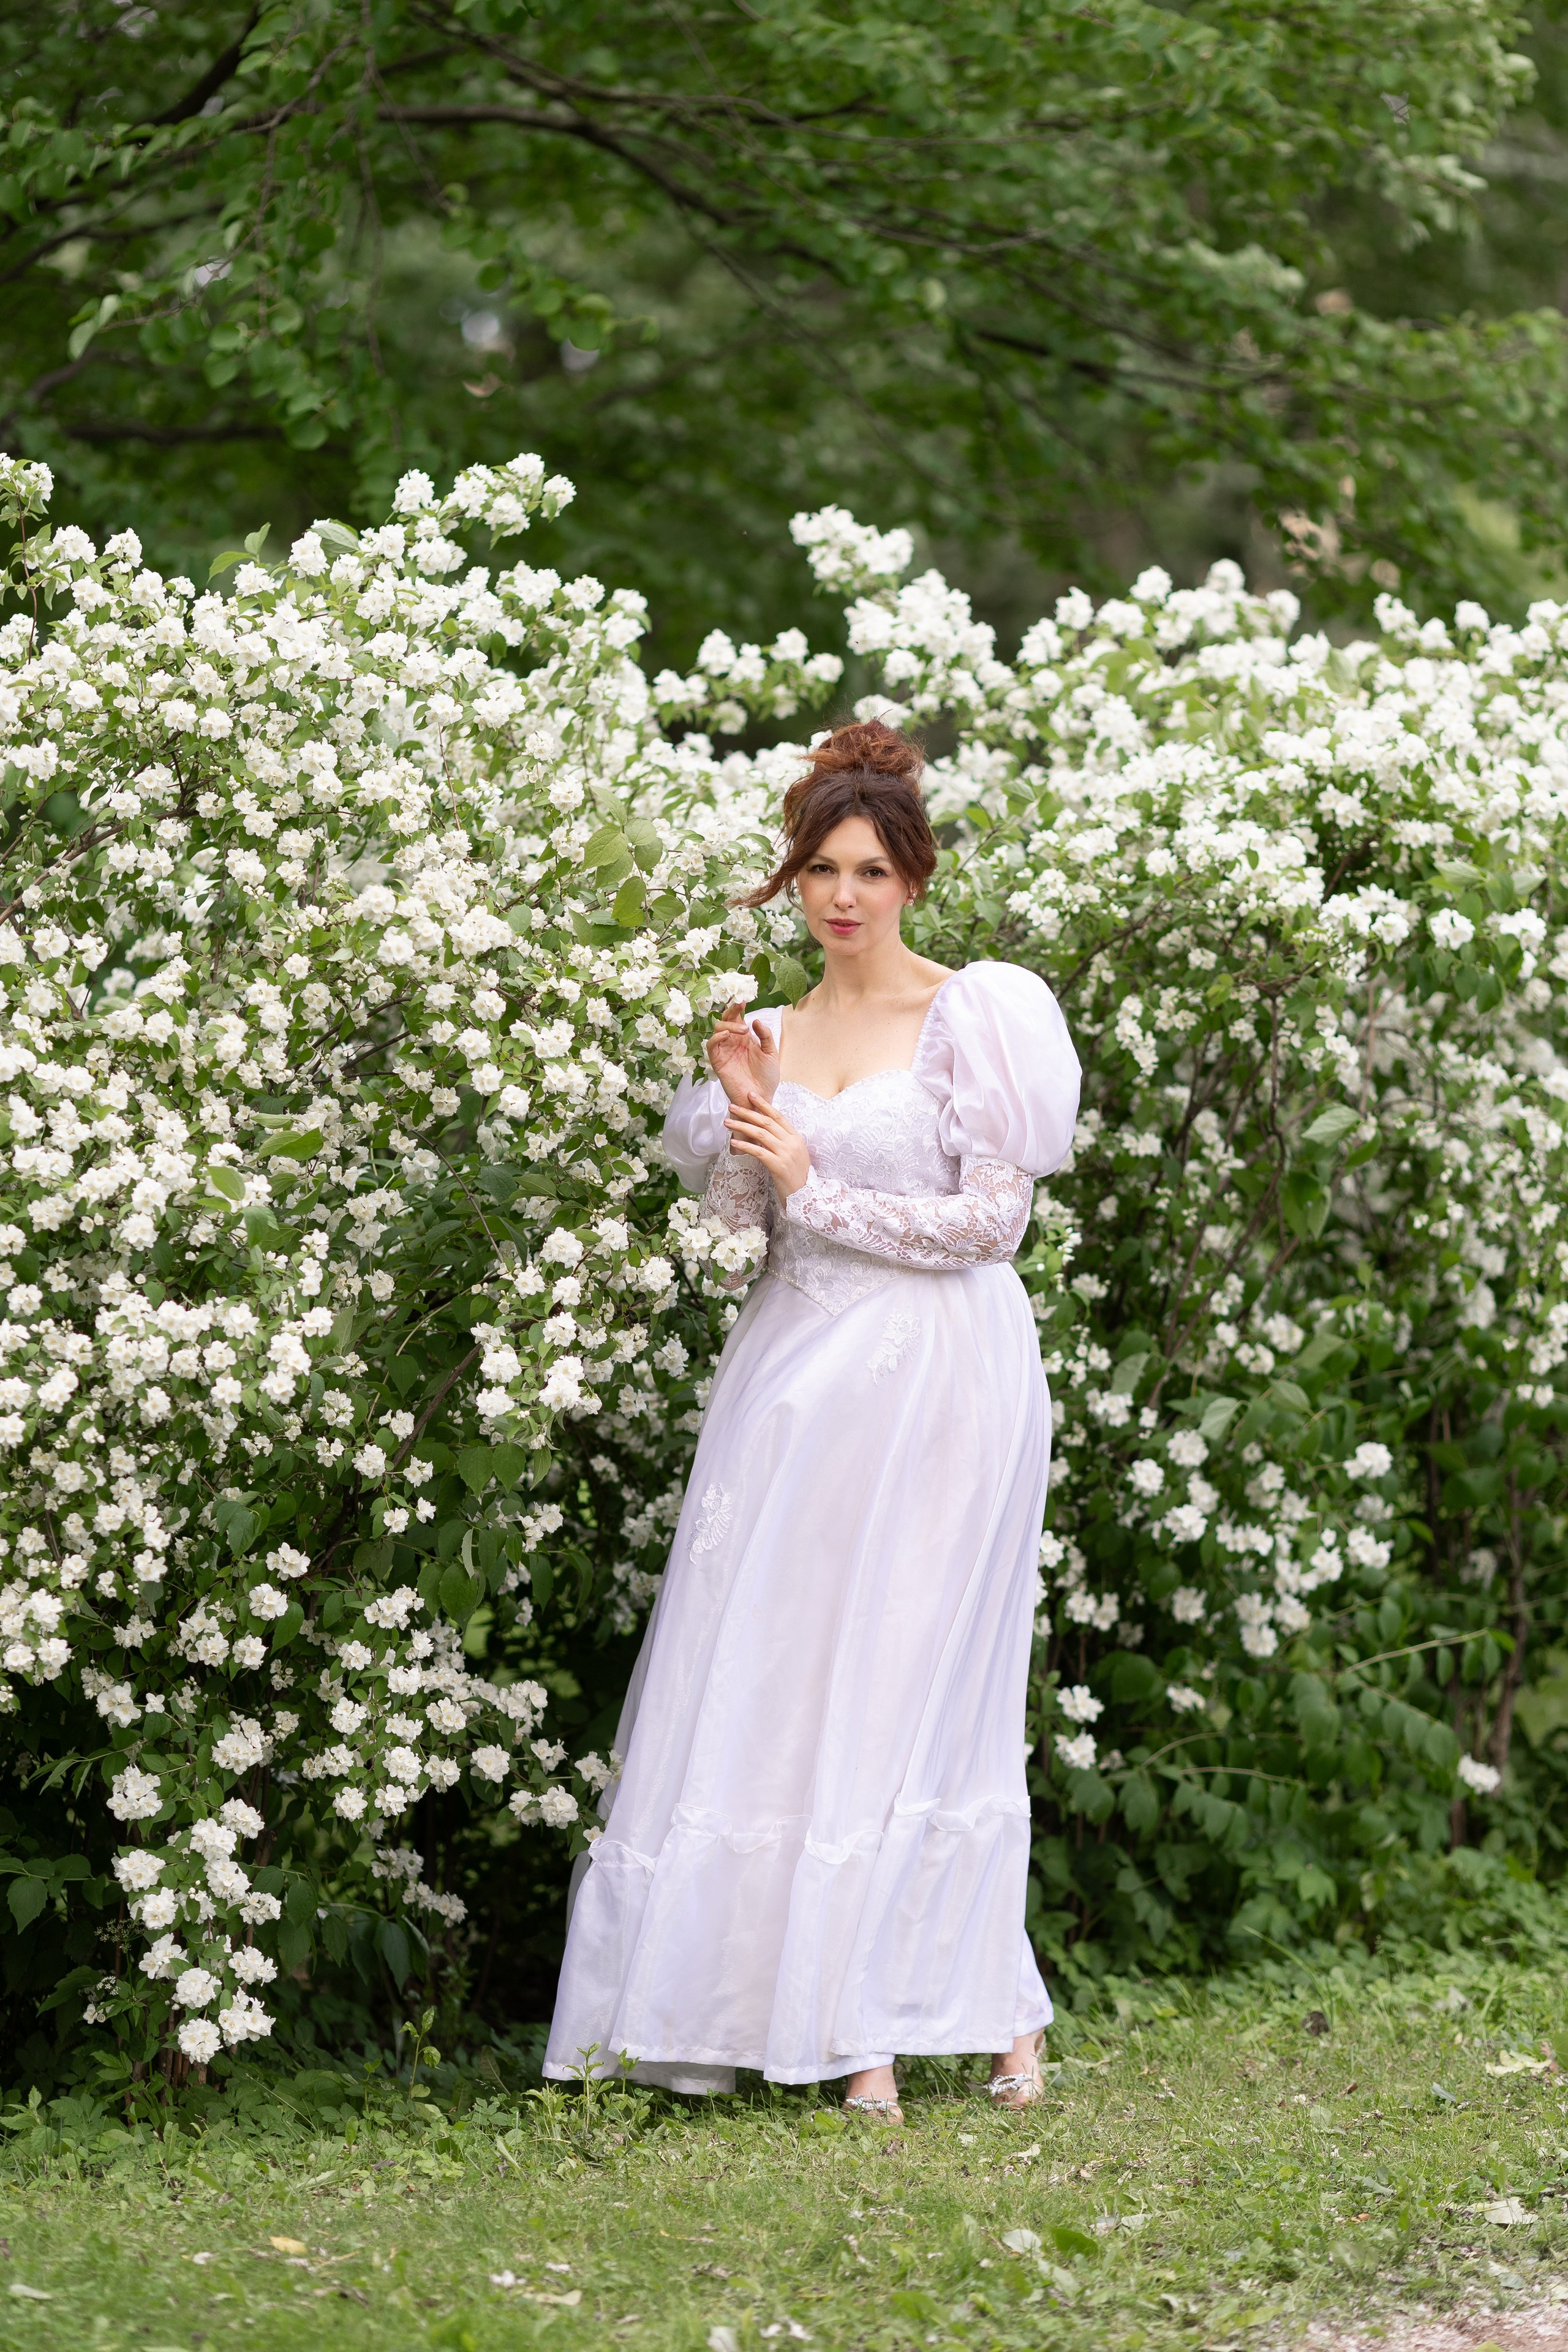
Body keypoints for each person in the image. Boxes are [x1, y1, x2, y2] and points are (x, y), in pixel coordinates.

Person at [543, 718, 1082, 2118]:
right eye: (818, 872)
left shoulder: (978, 1014)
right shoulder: (769, 1032)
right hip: (794, 1379)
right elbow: (735, 1241)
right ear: (790, 882)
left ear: (912, 877)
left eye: (867, 870)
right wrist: (742, 1119)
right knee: (780, 1677)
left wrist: (812, 1178)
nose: (840, 896)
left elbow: (990, 1226)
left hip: (944, 1375)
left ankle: (945, 2013)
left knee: (915, 1678)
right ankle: (804, 2009)